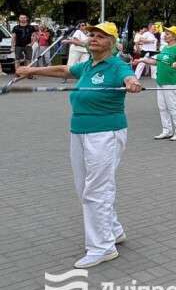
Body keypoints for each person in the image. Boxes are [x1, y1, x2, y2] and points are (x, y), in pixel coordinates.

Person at [16, 22, 142, 267]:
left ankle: (102, 247)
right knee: (86, 187)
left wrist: (131, 83)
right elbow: (65, 70)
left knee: (96, 190)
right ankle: (113, 231)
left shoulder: (117, 65)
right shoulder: (88, 64)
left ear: (112, 42)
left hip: (105, 133)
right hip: (79, 131)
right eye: (92, 35)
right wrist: (31, 70)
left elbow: (128, 77)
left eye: (100, 36)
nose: (93, 38)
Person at [135, 26, 176, 141]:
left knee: (173, 107)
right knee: (162, 107)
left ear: (174, 36)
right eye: (165, 33)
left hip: (171, 82)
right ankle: (167, 130)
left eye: (168, 34)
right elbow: (155, 62)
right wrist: (142, 60)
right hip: (160, 81)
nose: (165, 35)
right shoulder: (164, 48)